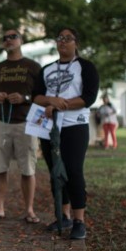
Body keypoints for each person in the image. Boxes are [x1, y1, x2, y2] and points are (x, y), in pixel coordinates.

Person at [34, 27, 99, 239]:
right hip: (48, 126)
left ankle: (79, 220)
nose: (63, 42)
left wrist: (61, 105)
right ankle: (63, 216)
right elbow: (36, 96)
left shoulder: (85, 67)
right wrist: (50, 101)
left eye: (68, 38)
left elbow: (89, 97)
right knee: (55, 171)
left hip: (75, 125)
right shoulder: (46, 69)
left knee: (73, 170)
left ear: (76, 43)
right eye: (60, 38)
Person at [0, 29, 41, 224]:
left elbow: (42, 96)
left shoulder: (33, 67)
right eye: (5, 38)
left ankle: (29, 210)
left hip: (26, 122)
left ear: (21, 40)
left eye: (12, 37)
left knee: (28, 169)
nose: (8, 40)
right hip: (1, 122)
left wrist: (24, 98)